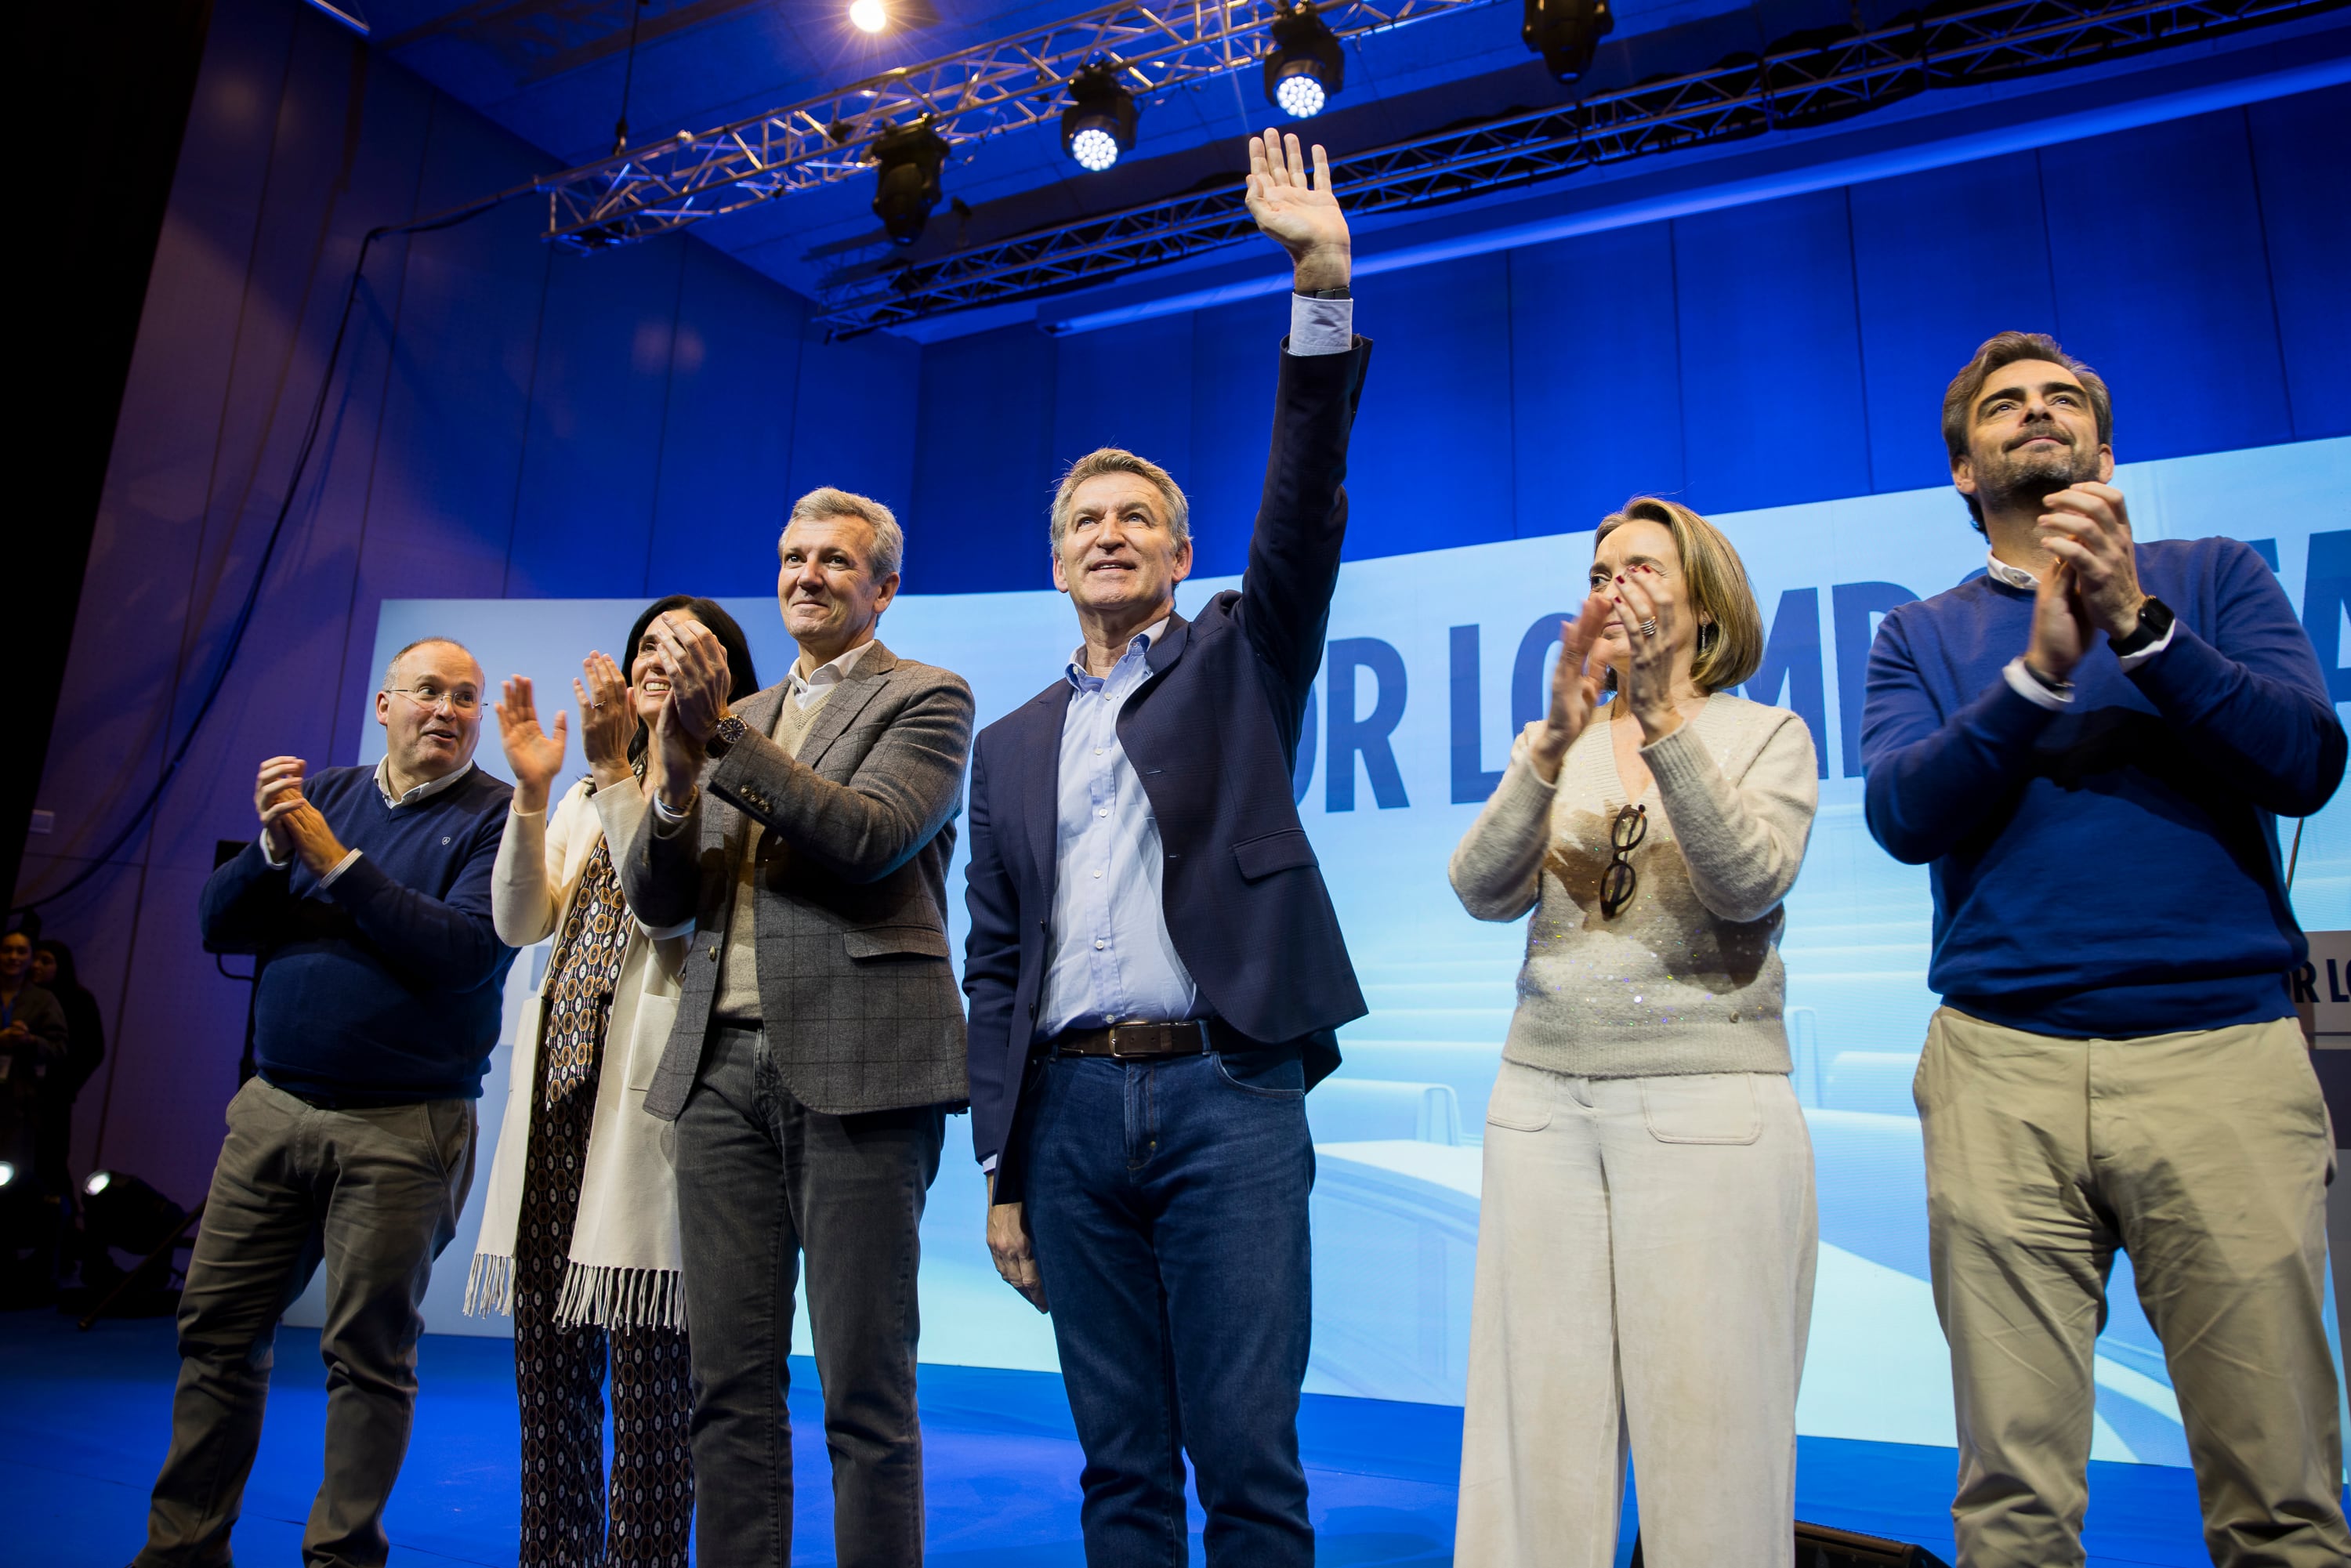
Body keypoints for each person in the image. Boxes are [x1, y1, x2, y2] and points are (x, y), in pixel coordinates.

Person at [1859, 331, 2349, 1568]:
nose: (2036, 412)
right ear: (1964, 472)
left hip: (2221, 1055)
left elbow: (2303, 762)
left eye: (2061, 399)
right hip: (2001, 1070)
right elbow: (1904, 816)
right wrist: (2032, 680)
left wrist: (2134, 623)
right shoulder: (1917, 636)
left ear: (2104, 450)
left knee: (2281, 1493)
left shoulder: (2216, 575)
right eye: (2004, 405)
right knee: (2013, 1507)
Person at [962, 128, 1369, 1568]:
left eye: (1139, 516)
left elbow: (1302, 507)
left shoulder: (1240, 659)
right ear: (1056, 558)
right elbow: (996, 963)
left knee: (1249, 1462)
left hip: (1228, 1092)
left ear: (1181, 554)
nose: (1111, 532)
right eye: (1086, 519)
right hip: (1065, 1124)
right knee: (1119, 1468)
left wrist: (1318, 291)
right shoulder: (1007, 742)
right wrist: (1001, 1163)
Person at [1447, 499, 1820, 1565]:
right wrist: (1557, 740)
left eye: (1643, 568)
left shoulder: (1765, 735)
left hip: (1707, 1105)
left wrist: (1661, 719)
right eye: (1602, 570)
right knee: (1535, 1436)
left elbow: (1747, 886)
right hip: (1542, 1104)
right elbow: (1479, 889)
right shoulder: (1558, 742)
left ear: (1704, 599)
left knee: (1711, 1437)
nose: (1615, 587)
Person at [614, 490, 974, 1568]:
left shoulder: (928, 697)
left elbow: (866, 836)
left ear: (883, 587)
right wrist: (673, 787)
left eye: (834, 559)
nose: (806, 574)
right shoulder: (746, 716)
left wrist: (715, 736)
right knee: (727, 1392)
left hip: (863, 1071)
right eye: (790, 556)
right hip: (719, 1073)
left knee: (865, 1395)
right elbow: (661, 903)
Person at [139, 636, 516, 1568]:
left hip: (404, 1125)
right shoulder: (325, 800)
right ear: (383, 706)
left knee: (368, 1356)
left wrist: (334, 863)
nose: (446, 710)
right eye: (427, 691)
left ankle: (342, 1556)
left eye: (464, 698)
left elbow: (465, 954)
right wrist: (274, 847)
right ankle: (183, 1547)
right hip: (271, 1108)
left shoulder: (500, 821)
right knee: (217, 1332)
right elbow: (216, 925)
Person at [468, 598, 759, 1568]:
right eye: (644, 644)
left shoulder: (725, 779)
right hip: (559, 1102)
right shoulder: (592, 795)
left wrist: (610, 774)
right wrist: (533, 791)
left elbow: (665, 913)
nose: (652, 659)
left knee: (650, 1390)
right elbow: (519, 923)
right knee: (547, 1384)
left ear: (722, 671)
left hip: (653, 1111)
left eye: (679, 646)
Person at [30, 939, 105, 1193]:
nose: (36, 966)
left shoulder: (78, 1000)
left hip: (54, 1094)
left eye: (45, 961)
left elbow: (93, 1050)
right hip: (19, 1093)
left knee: (50, 1159)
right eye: (35, 959)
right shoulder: (24, 997)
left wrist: (67, 1083)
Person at [0, 929, 69, 1179]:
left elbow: (60, 1048)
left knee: (13, 1176)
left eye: (21, 951)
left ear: (30, 958)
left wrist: (30, 1041)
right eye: (7, 950)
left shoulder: (42, 1000)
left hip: (21, 1105)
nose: (13, 957)